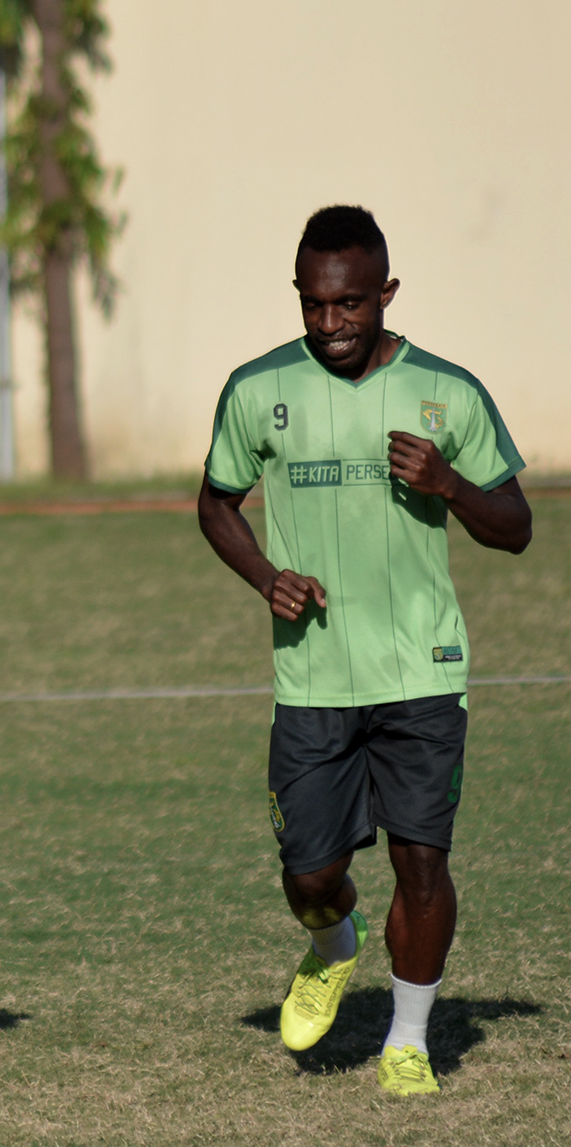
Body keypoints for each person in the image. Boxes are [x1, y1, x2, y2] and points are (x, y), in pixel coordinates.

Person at [198, 205, 529, 1097]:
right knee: (310, 872)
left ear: (385, 294)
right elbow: (216, 503)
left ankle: (408, 1041)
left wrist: (448, 482)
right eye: (314, 304)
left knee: (423, 863)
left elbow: (517, 529)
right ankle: (330, 943)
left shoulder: (446, 392)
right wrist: (266, 575)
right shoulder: (257, 389)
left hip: (423, 670)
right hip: (312, 678)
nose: (332, 323)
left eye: (349, 304)